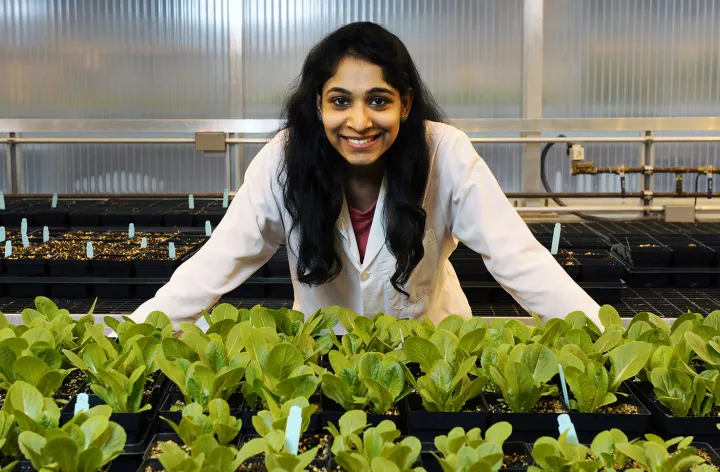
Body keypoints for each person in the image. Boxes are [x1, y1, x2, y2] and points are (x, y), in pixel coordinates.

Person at [130, 22, 601, 330]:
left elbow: (517, 256)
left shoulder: (446, 154)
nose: (359, 121)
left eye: (379, 100)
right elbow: (217, 263)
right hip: (327, 359)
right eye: (340, 101)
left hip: (433, 355)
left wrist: (601, 335)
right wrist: (129, 335)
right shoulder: (282, 162)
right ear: (318, 105)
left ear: (406, 104)